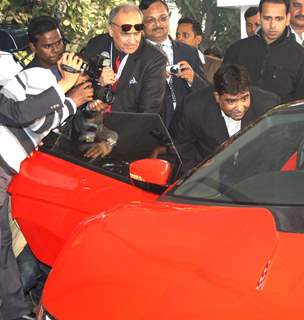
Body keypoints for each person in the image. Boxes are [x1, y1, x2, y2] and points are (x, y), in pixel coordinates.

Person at [0, 51, 93, 320]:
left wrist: (72, 102)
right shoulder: (36, 76)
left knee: (3, 247)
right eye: (80, 72)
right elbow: (21, 113)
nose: (82, 78)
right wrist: (65, 87)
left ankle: (14, 313)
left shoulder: (57, 95)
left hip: (5, 172)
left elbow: (38, 124)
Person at [170, 64, 280, 174]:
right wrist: (198, 167)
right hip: (207, 176)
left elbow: (277, 146)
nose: (240, 108)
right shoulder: (192, 107)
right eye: (231, 101)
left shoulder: (269, 106)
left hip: (253, 175)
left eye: (244, 98)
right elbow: (179, 145)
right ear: (217, 97)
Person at [224, 0, 304, 103]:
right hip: (242, 118)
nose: (272, 25)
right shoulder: (237, 50)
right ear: (259, 17)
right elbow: (222, 91)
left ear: (287, 19)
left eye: (278, 19)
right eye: (267, 18)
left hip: (284, 118)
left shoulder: (303, 58)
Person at [81, 3, 167, 114]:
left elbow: (148, 113)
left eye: (137, 34)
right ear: (111, 30)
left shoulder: (154, 59)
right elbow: (79, 87)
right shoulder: (96, 45)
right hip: (92, 124)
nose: (132, 41)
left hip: (129, 127)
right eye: (125, 34)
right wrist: (98, 86)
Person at [140, 0, 208, 127]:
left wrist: (193, 79)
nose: (158, 24)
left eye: (162, 18)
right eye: (150, 20)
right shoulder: (136, 55)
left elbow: (208, 92)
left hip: (187, 127)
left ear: (169, 16)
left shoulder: (189, 52)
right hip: (152, 127)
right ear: (141, 22)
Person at [176, 17, 222, 83]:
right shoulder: (171, 63)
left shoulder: (216, 65)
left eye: (185, 35)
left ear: (198, 40)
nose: (179, 39)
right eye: (177, 35)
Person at [26, 16, 65, 80]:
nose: (56, 50)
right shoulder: (29, 78)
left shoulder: (70, 63)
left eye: (58, 42)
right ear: (33, 47)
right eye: (48, 46)